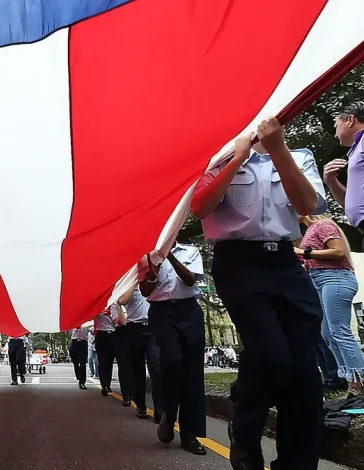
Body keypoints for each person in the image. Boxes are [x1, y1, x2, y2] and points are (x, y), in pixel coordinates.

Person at [192, 118, 327, 470]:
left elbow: (308, 204)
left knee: (305, 377)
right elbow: (200, 206)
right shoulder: (217, 159)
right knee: (272, 357)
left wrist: (279, 150)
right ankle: (245, 430)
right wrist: (236, 159)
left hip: (285, 261)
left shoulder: (299, 155)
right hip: (238, 264)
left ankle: (296, 463)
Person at [139, 244, 207, 455]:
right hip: (161, 313)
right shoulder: (146, 256)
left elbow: (190, 280)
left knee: (193, 372)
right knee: (172, 361)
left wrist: (169, 256)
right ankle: (169, 412)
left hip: (189, 311)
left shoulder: (190, 252)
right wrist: (152, 275)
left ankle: (190, 434)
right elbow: (144, 291)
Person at [299, 214, 364, 396]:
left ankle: (359, 379)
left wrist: (303, 252)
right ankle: (349, 378)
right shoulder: (309, 231)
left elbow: (339, 251)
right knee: (327, 335)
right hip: (320, 281)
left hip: (335, 278)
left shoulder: (323, 225)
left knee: (339, 332)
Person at [323, 102, 364, 248]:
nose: (335, 133)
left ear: (350, 120)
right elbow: (350, 204)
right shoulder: (356, 150)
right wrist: (331, 181)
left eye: (336, 126)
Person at [121, 283, 163, 423]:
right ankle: (141, 405)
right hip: (134, 329)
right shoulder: (129, 282)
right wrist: (133, 281)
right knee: (137, 370)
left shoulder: (153, 278)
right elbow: (122, 300)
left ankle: (160, 409)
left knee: (156, 366)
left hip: (153, 328)